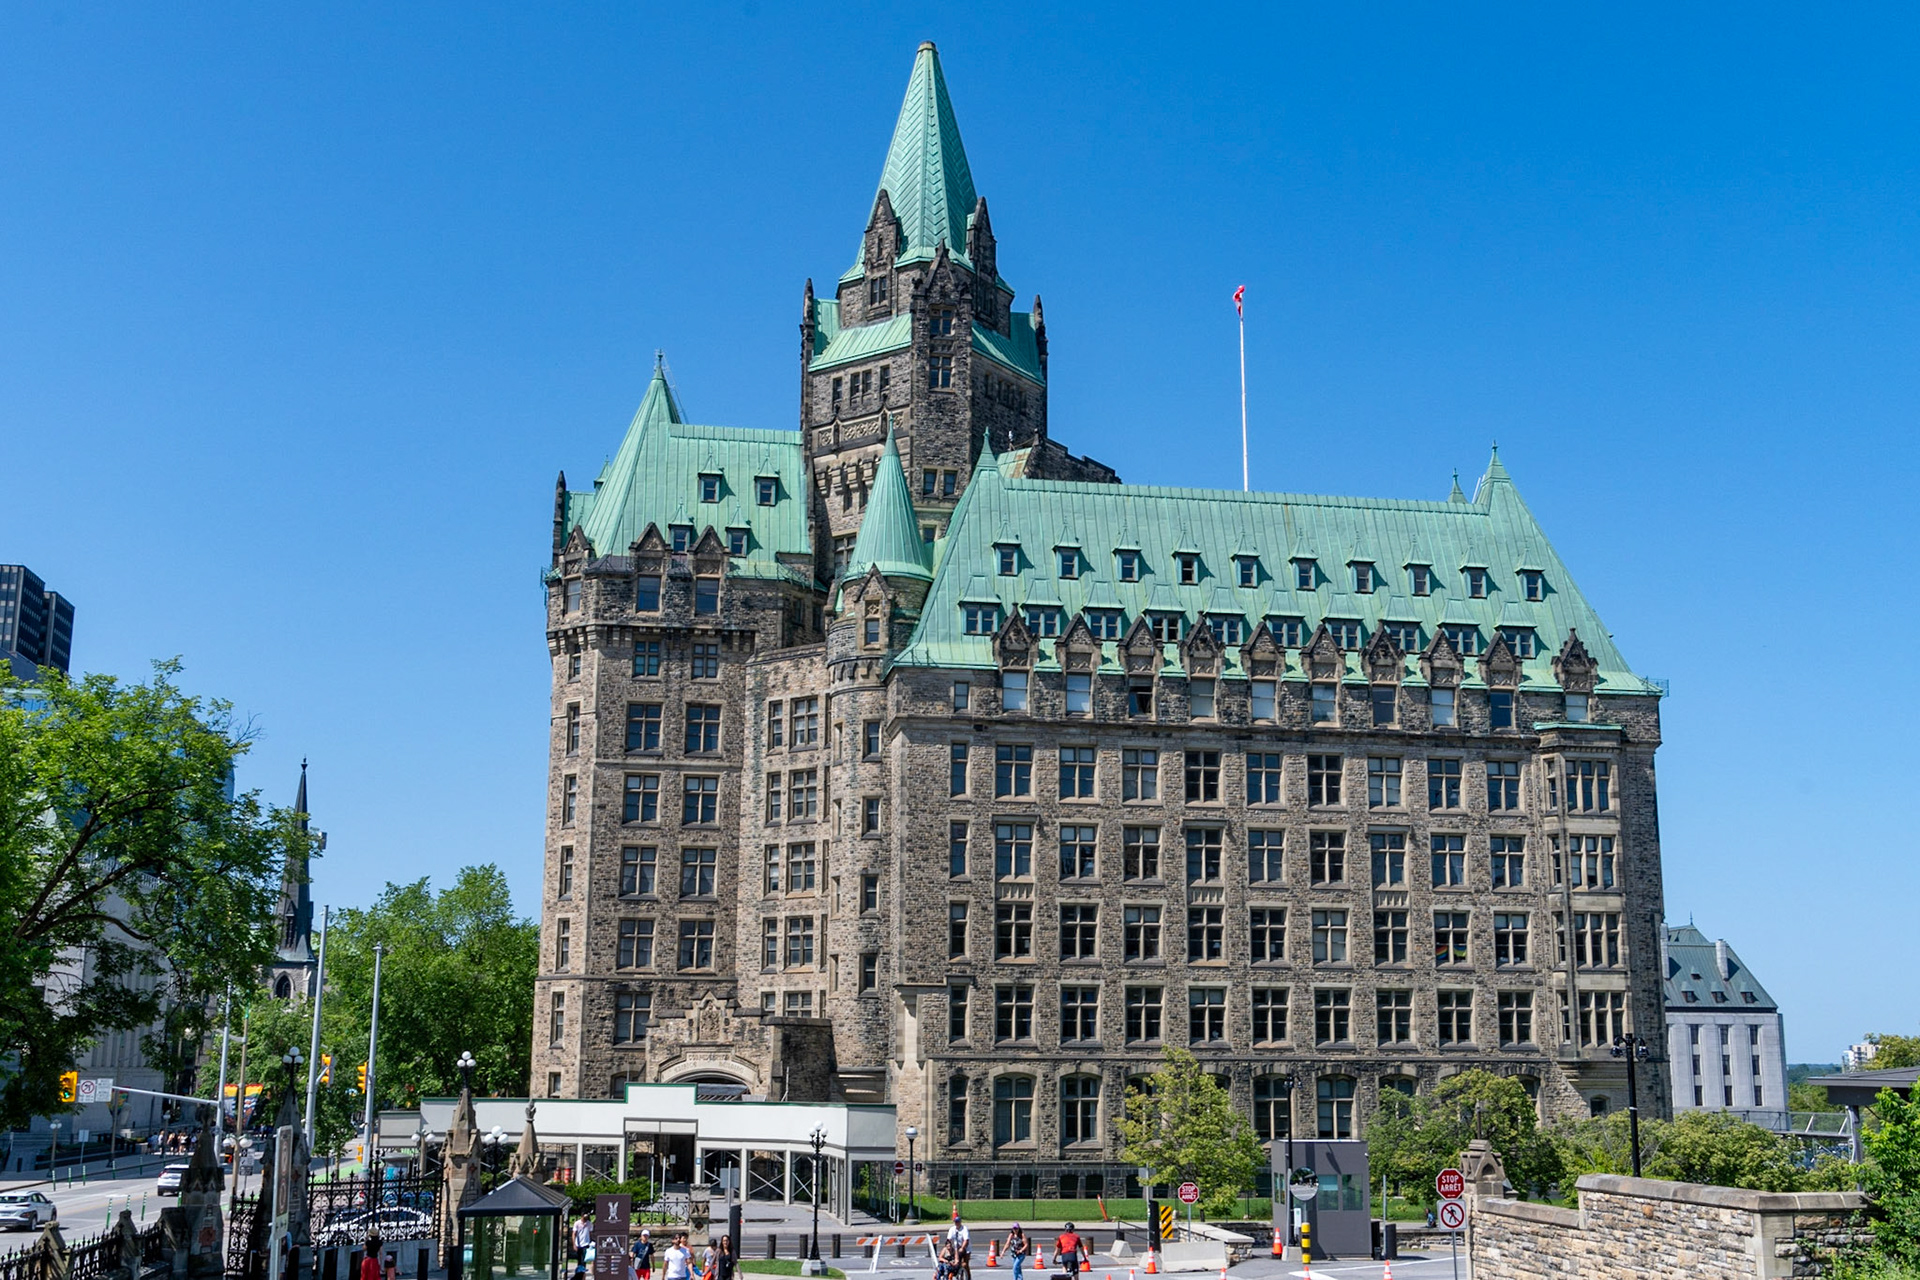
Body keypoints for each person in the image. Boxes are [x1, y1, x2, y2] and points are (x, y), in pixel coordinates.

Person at [946, 1213, 972, 1280]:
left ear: (960, 1222)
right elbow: (949, 1239)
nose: (957, 1223)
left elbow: (966, 1240)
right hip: (956, 1248)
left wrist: (962, 1248)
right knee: (955, 1263)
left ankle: (968, 1277)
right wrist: (949, 1247)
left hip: (966, 1249)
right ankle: (957, 1275)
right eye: (955, 1222)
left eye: (958, 1222)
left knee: (965, 1264)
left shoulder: (964, 1229)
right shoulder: (952, 1229)